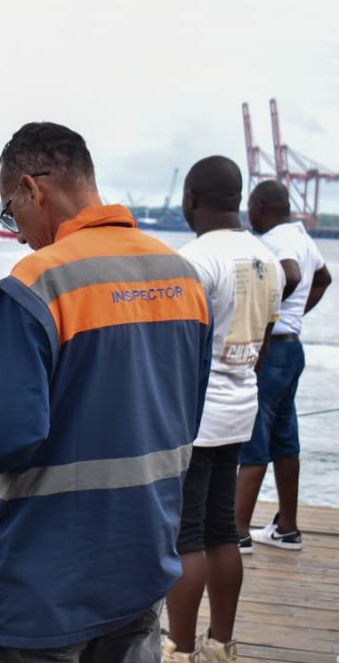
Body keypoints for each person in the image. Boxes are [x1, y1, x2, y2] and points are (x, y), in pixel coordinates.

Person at [0, 122, 212, 662]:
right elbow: (182, 413)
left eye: (10, 213)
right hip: (143, 561)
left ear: (31, 189)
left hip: (46, 579)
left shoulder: (37, 282)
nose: (17, 233)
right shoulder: (183, 276)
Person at [163, 157, 284, 663]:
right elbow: (264, 346)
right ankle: (221, 644)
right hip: (239, 408)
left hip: (195, 416)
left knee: (185, 536)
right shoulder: (268, 260)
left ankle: (179, 647)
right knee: (222, 530)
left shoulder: (194, 260)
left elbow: (175, 349)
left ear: (191, 198)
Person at [235, 180, 332, 554]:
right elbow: (323, 278)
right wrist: (294, 315)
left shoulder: (276, 241)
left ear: (259, 206)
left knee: (254, 440)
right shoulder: (301, 237)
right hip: (292, 349)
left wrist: (267, 316)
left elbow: (291, 275)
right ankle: (287, 528)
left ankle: (237, 532)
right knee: (285, 439)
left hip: (272, 350)